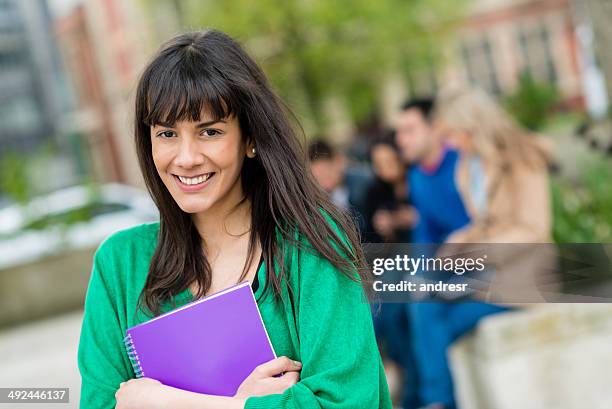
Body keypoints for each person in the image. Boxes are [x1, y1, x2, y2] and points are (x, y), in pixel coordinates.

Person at [77, 30, 392, 409]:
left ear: (250, 138)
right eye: (166, 134)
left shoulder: (312, 245)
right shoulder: (119, 266)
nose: (186, 157)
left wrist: (170, 401)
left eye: (209, 131)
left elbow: (348, 402)